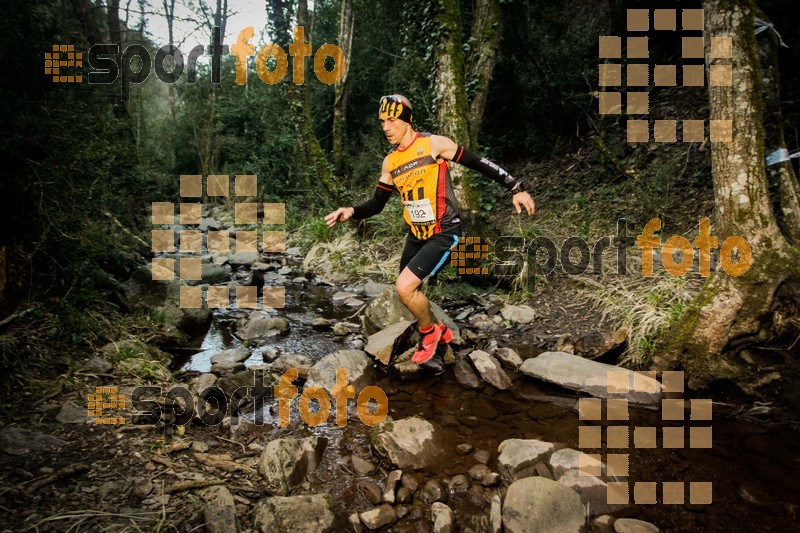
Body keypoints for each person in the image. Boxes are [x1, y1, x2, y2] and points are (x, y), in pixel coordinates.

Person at [325, 94, 535, 364]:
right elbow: (377, 203)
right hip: (417, 236)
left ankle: (429, 332)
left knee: (404, 288)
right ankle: (442, 328)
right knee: (407, 292)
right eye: (382, 122)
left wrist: (515, 188)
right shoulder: (390, 162)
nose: (386, 127)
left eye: (391, 120)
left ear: (407, 120)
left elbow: (479, 162)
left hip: (445, 231)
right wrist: (351, 211)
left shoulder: (433, 144)